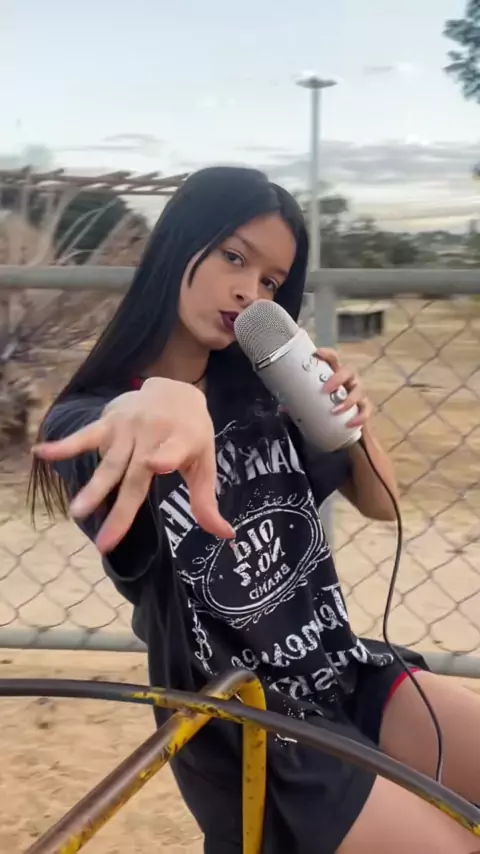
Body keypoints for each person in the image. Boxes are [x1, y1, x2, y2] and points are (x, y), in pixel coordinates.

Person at [29, 167, 480, 853]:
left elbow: (378, 504)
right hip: (248, 719)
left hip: (341, 670)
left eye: (271, 281)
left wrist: (348, 418)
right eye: (234, 257)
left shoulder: (268, 394)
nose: (249, 291)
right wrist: (161, 401)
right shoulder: (100, 418)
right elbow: (119, 423)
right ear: (179, 246)